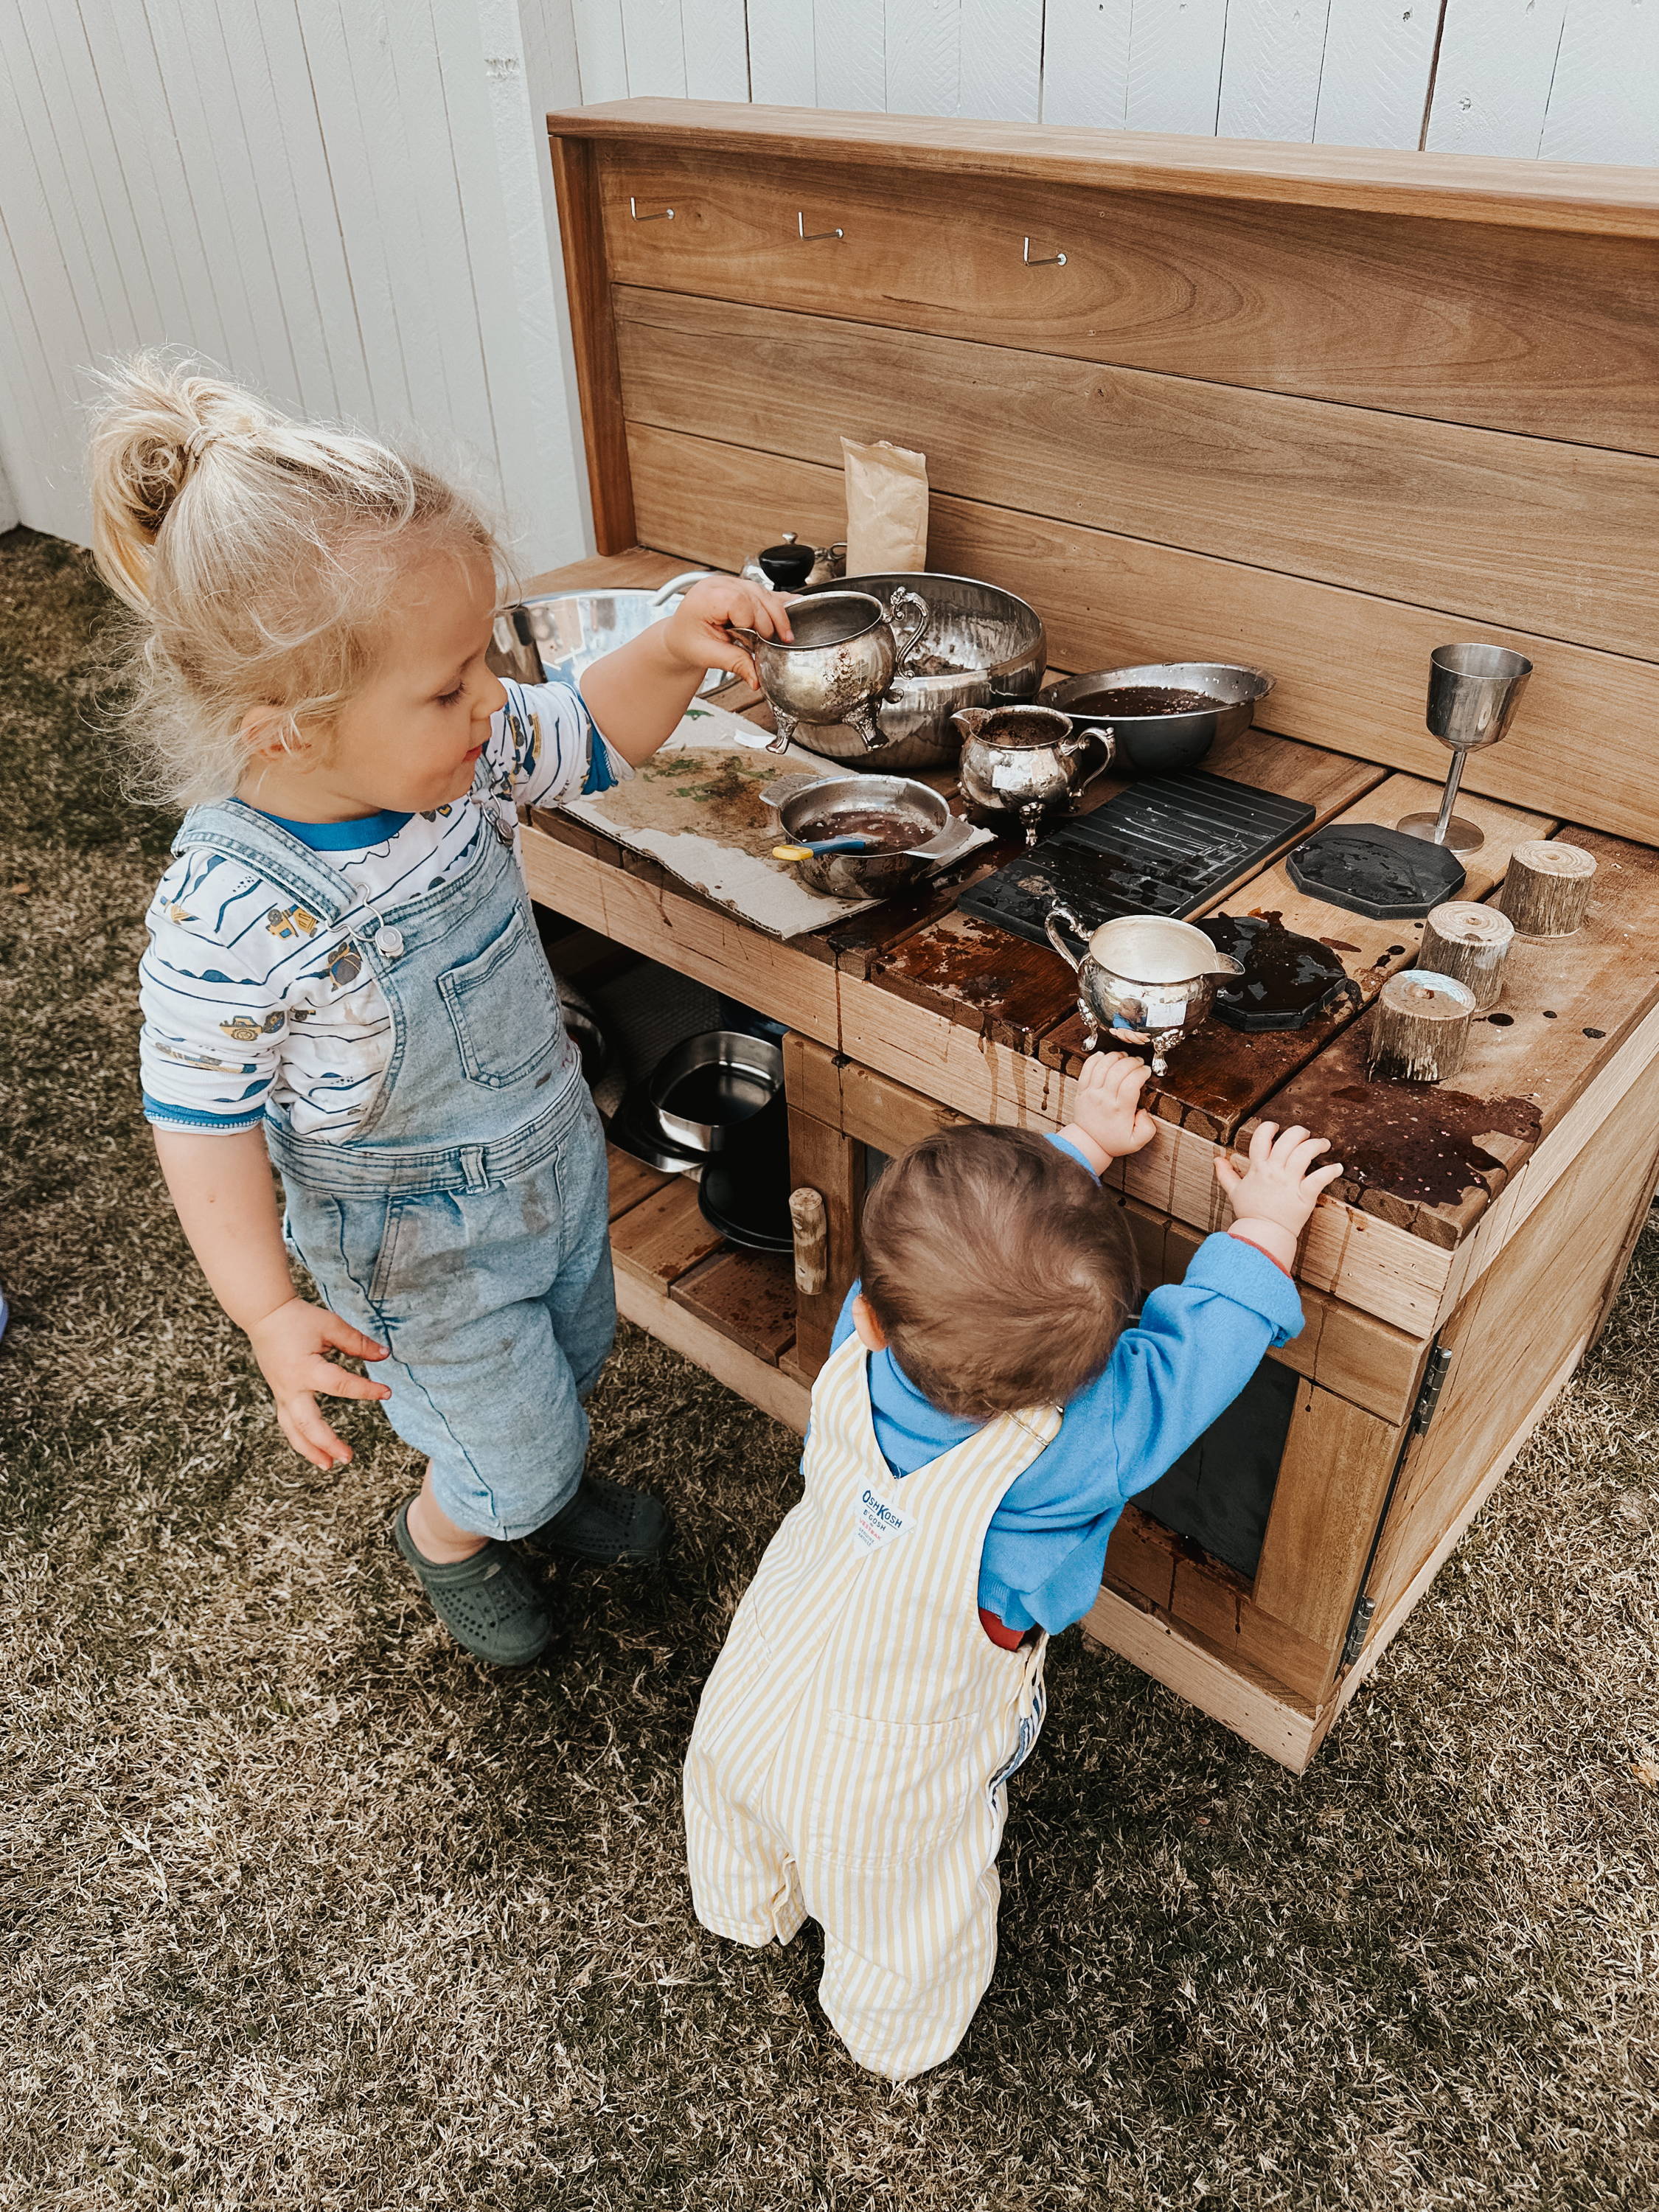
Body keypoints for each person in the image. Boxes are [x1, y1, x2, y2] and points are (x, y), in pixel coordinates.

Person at [97, 355, 793, 1668]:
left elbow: (588, 727)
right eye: (449, 683)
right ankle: (456, 1529)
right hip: (408, 1237)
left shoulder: (463, 762)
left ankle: (528, 1470)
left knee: (571, 1356)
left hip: (549, 1154)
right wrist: (264, 1309)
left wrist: (665, 643)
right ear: (284, 731)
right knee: (503, 1443)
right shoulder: (230, 913)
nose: (491, 701)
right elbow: (197, 1120)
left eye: (482, 665)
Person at [684, 1054, 1342, 2080]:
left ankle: (742, 1904)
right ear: (1095, 1359)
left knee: (734, 1794)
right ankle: (891, 2035)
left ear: (869, 1310)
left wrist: (1075, 1143)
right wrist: (1260, 1226)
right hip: (890, 1768)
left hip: (761, 1675)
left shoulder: (864, 1337)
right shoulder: (1083, 1438)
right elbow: (1197, 1355)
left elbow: (955, 1251)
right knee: (901, 1907)